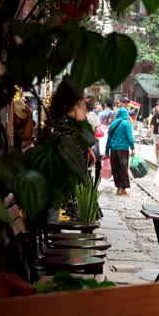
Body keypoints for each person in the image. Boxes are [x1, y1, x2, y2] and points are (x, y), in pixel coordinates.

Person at [42, 81, 93, 218]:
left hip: (58, 153)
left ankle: (56, 222)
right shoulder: (77, 106)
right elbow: (84, 131)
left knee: (59, 191)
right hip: (74, 154)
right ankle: (71, 219)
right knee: (73, 190)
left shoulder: (56, 107)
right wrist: (90, 149)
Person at [106, 106, 135, 196]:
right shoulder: (126, 123)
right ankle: (123, 189)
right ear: (125, 114)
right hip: (122, 149)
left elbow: (108, 139)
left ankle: (118, 188)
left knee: (116, 169)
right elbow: (130, 137)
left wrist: (107, 152)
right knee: (123, 169)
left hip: (113, 150)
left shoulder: (113, 124)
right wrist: (132, 147)